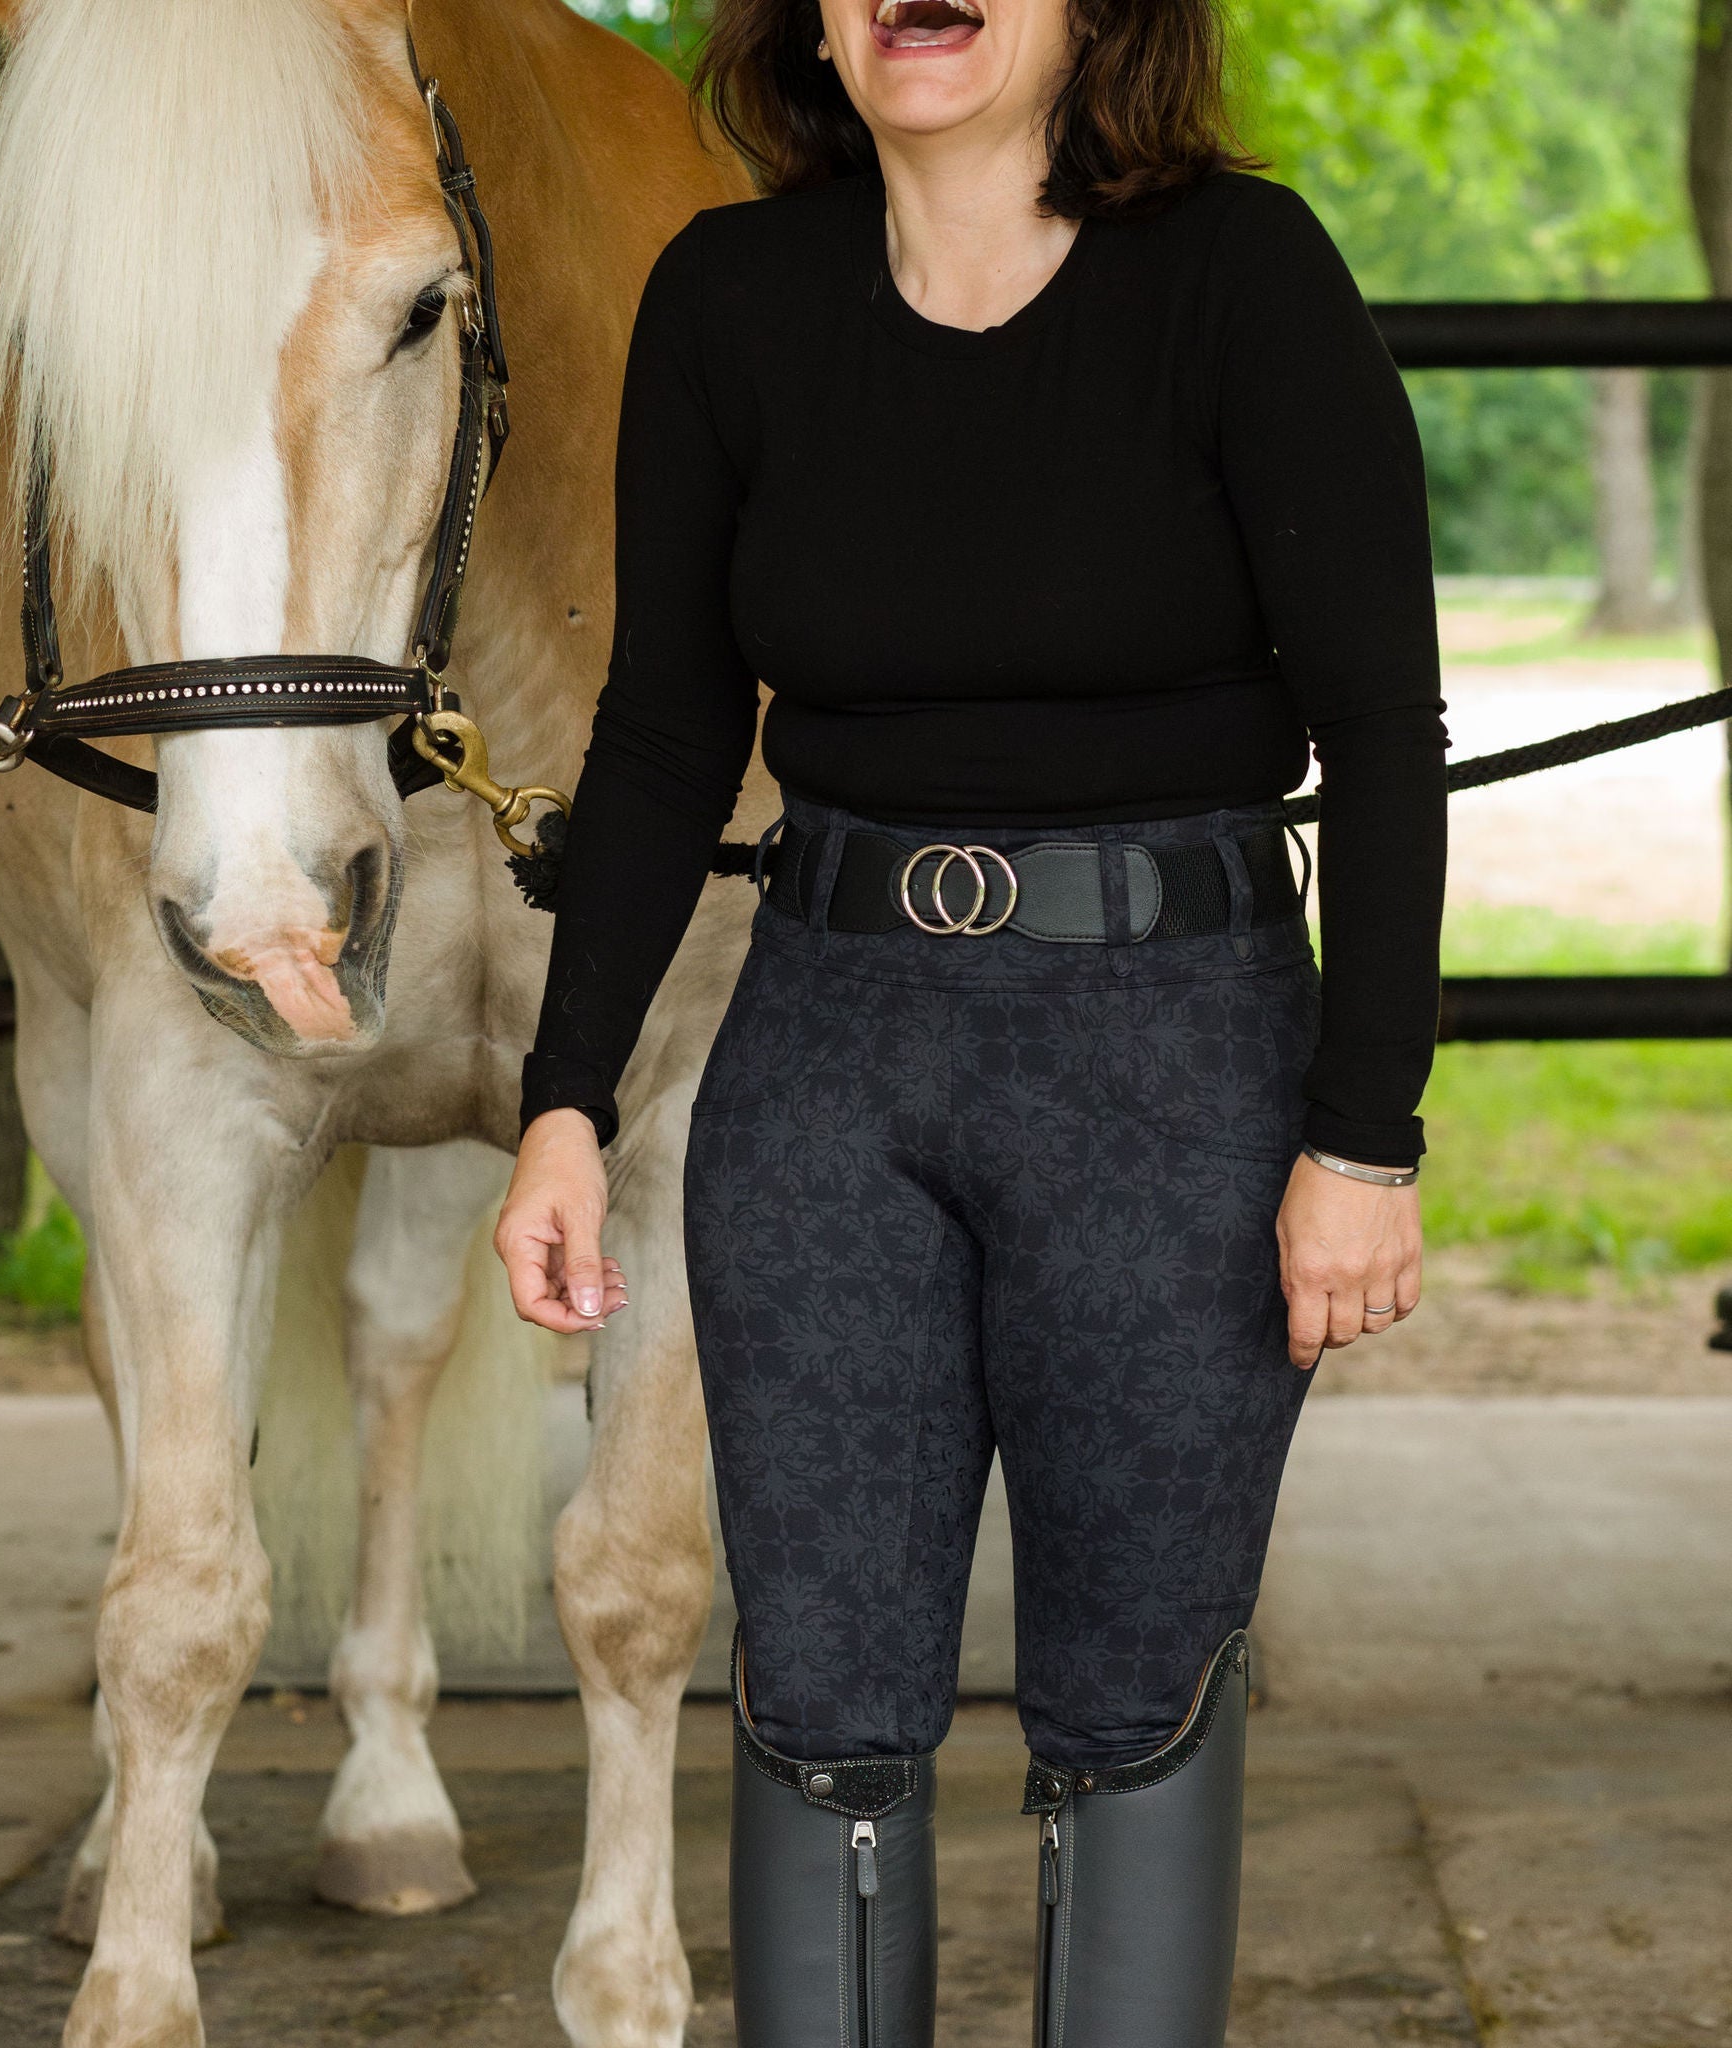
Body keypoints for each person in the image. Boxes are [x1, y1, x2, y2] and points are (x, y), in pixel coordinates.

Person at [492, 0, 1447, 2033]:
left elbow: (1380, 730)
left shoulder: (1238, 277)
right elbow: (663, 731)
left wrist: (1362, 1136)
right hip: (828, 1053)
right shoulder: (732, 295)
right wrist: (564, 1098)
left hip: (1171, 1050)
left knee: (1130, 1689)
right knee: (822, 1689)